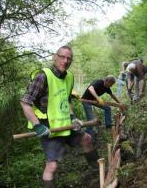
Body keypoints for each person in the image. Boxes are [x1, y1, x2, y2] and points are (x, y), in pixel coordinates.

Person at [20, 46, 99, 188]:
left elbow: (66, 100)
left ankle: (97, 172)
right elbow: (25, 102)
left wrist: (73, 117)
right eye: (62, 57)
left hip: (66, 123)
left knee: (87, 139)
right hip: (47, 126)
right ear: (55, 57)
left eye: (69, 58)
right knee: (52, 166)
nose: (65, 61)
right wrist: (37, 125)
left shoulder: (69, 77)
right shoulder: (43, 76)